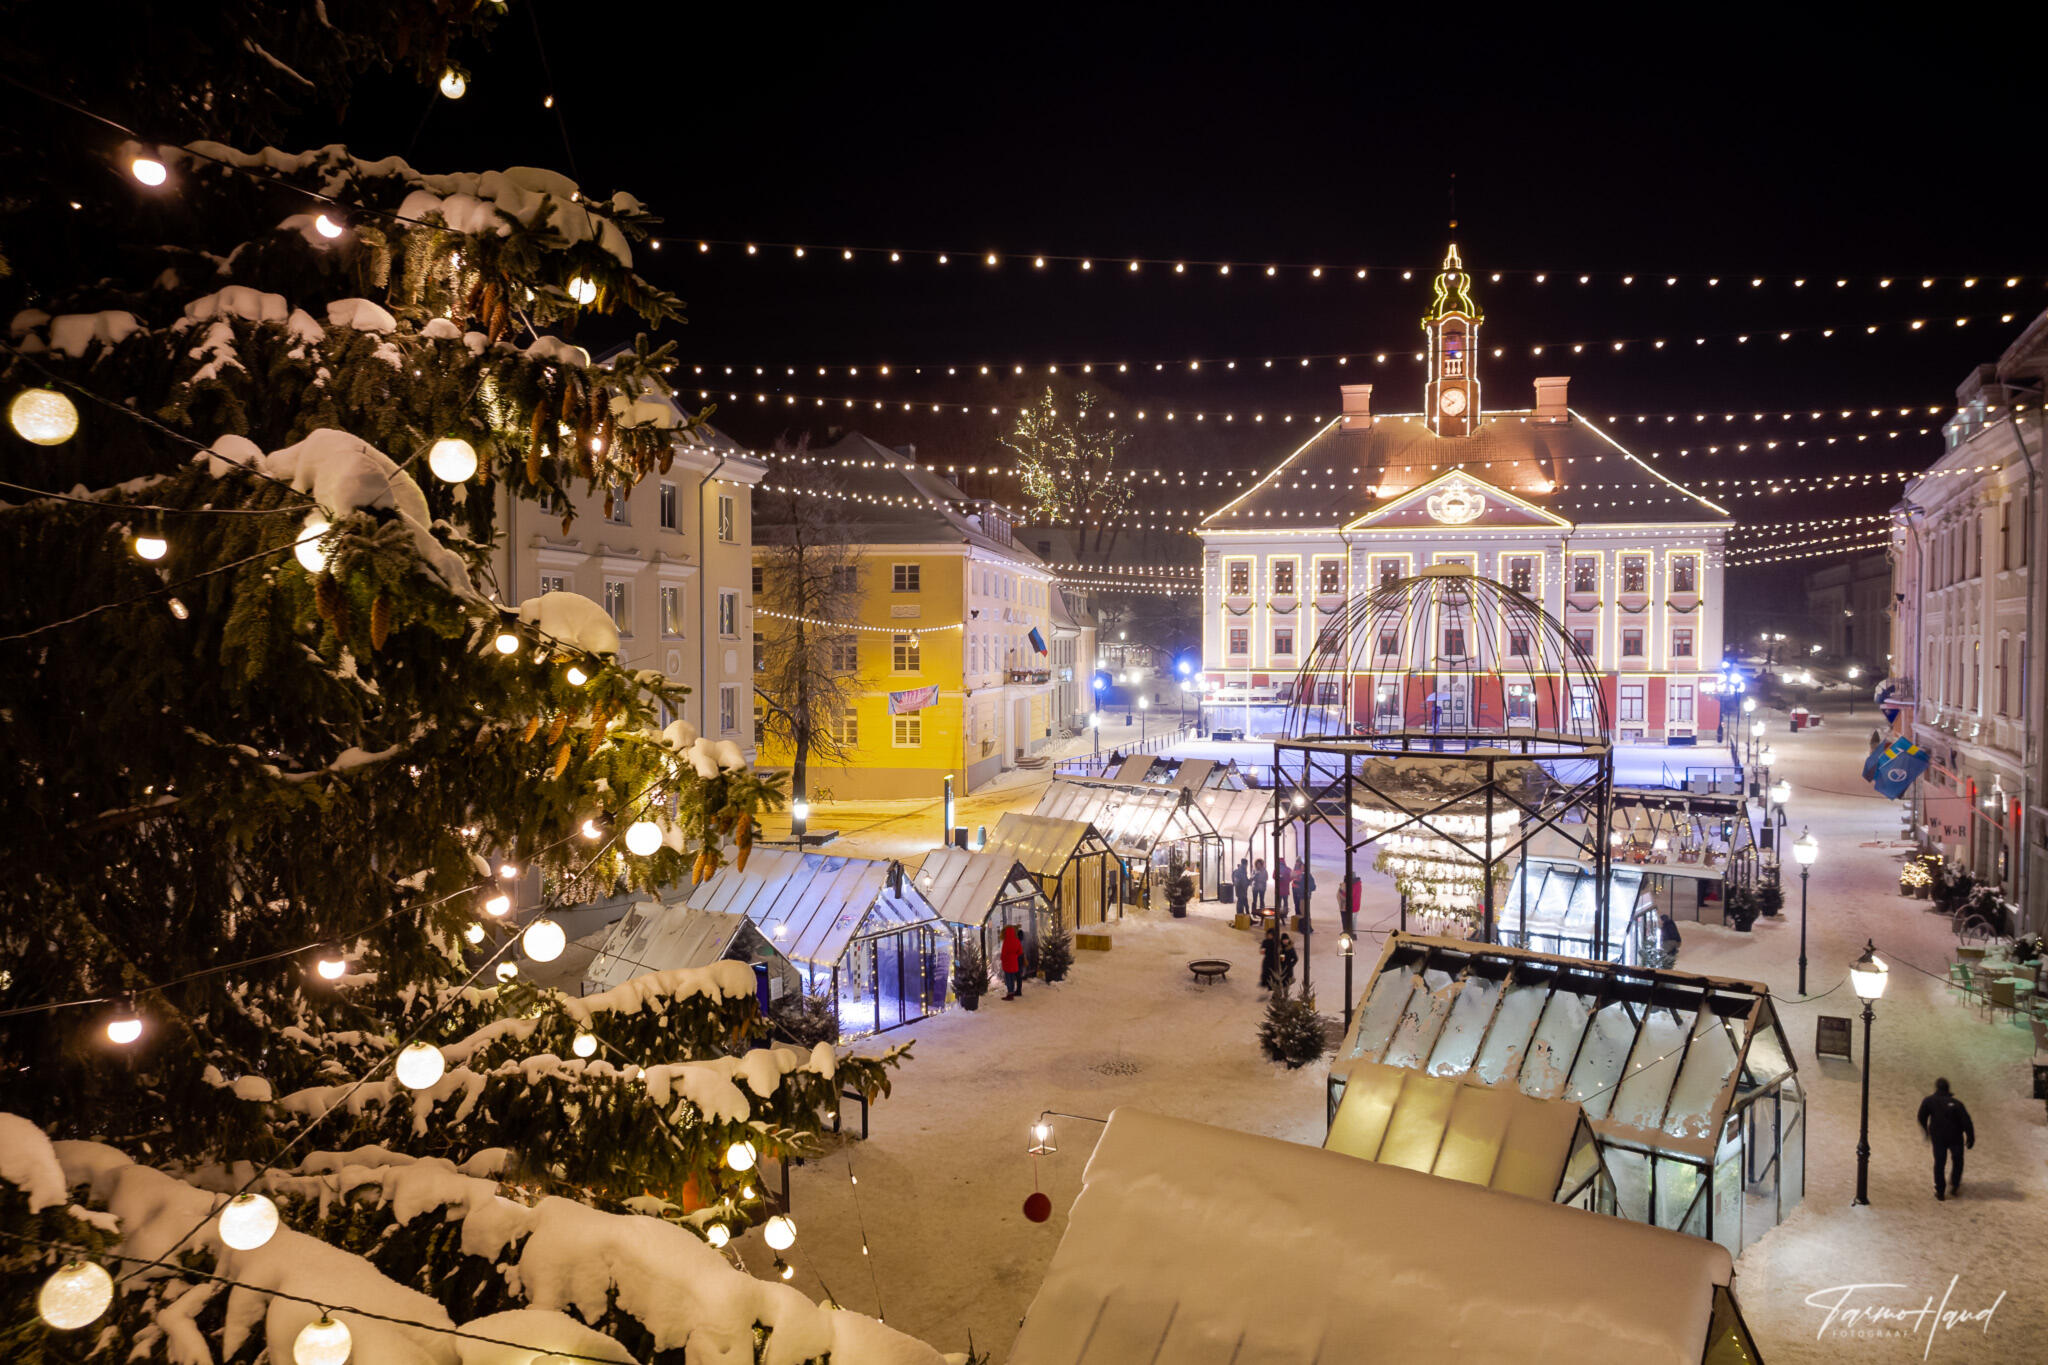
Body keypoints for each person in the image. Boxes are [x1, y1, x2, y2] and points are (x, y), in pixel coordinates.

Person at [1918, 1077, 1975, 1200]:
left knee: (1939, 1163)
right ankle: (1954, 1184)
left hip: (1938, 1137)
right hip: (1955, 1137)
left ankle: (1940, 1191)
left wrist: (1926, 1130)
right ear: (1948, 1089)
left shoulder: (1929, 1101)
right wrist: (1970, 1138)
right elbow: (1966, 1122)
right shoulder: (1957, 1104)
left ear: (1936, 1088)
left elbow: (1921, 1116)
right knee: (1958, 1160)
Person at [999, 924, 1026, 999]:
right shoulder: (1017, 940)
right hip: (1014, 962)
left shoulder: (1006, 941)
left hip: (1007, 962)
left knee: (1008, 978)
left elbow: (1003, 953)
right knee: (1012, 978)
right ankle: (1012, 992)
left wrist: (1002, 959)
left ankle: (1010, 993)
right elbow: (1020, 951)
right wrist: (1014, 955)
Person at [1294, 857, 1315, 933]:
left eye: (1302, 867)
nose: (1301, 868)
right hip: (1303, 895)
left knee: (1304, 912)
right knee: (1305, 911)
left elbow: (1312, 886)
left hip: (1305, 896)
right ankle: (1308, 927)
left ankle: (1307, 928)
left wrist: (1304, 889)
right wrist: (1299, 883)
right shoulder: (1305, 875)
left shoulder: (1307, 875)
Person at [1273, 858, 1294, 923]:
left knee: (1279, 903)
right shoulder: (1288, 869)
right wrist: (1287, 881)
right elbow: (1292, 877)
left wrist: (1279, 878)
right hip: (1285, 889)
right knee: (1285, 902)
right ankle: (1284, 914)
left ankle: (1279, 914)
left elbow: (1273, 877)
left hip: (1279, 889)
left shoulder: (1276, 869)